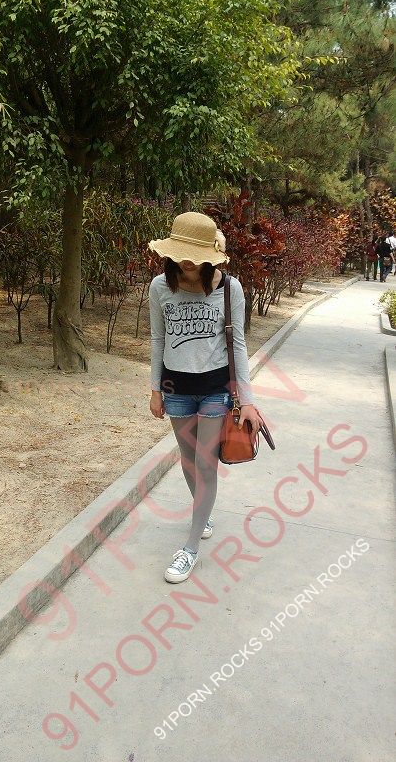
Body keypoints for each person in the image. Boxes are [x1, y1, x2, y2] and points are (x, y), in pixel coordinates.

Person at [147, 211, 263, 584]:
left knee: (205, 463)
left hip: (216, 390)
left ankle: (191, 548)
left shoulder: (230, 288)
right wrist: (154, 388)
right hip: (176, 389)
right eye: (181, 252)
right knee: (187, 459)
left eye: (195, 254)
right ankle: (204, 512)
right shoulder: (159, 287)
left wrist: (247, 399)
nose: (187, 261)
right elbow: (158, 339)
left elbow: (238, 344)